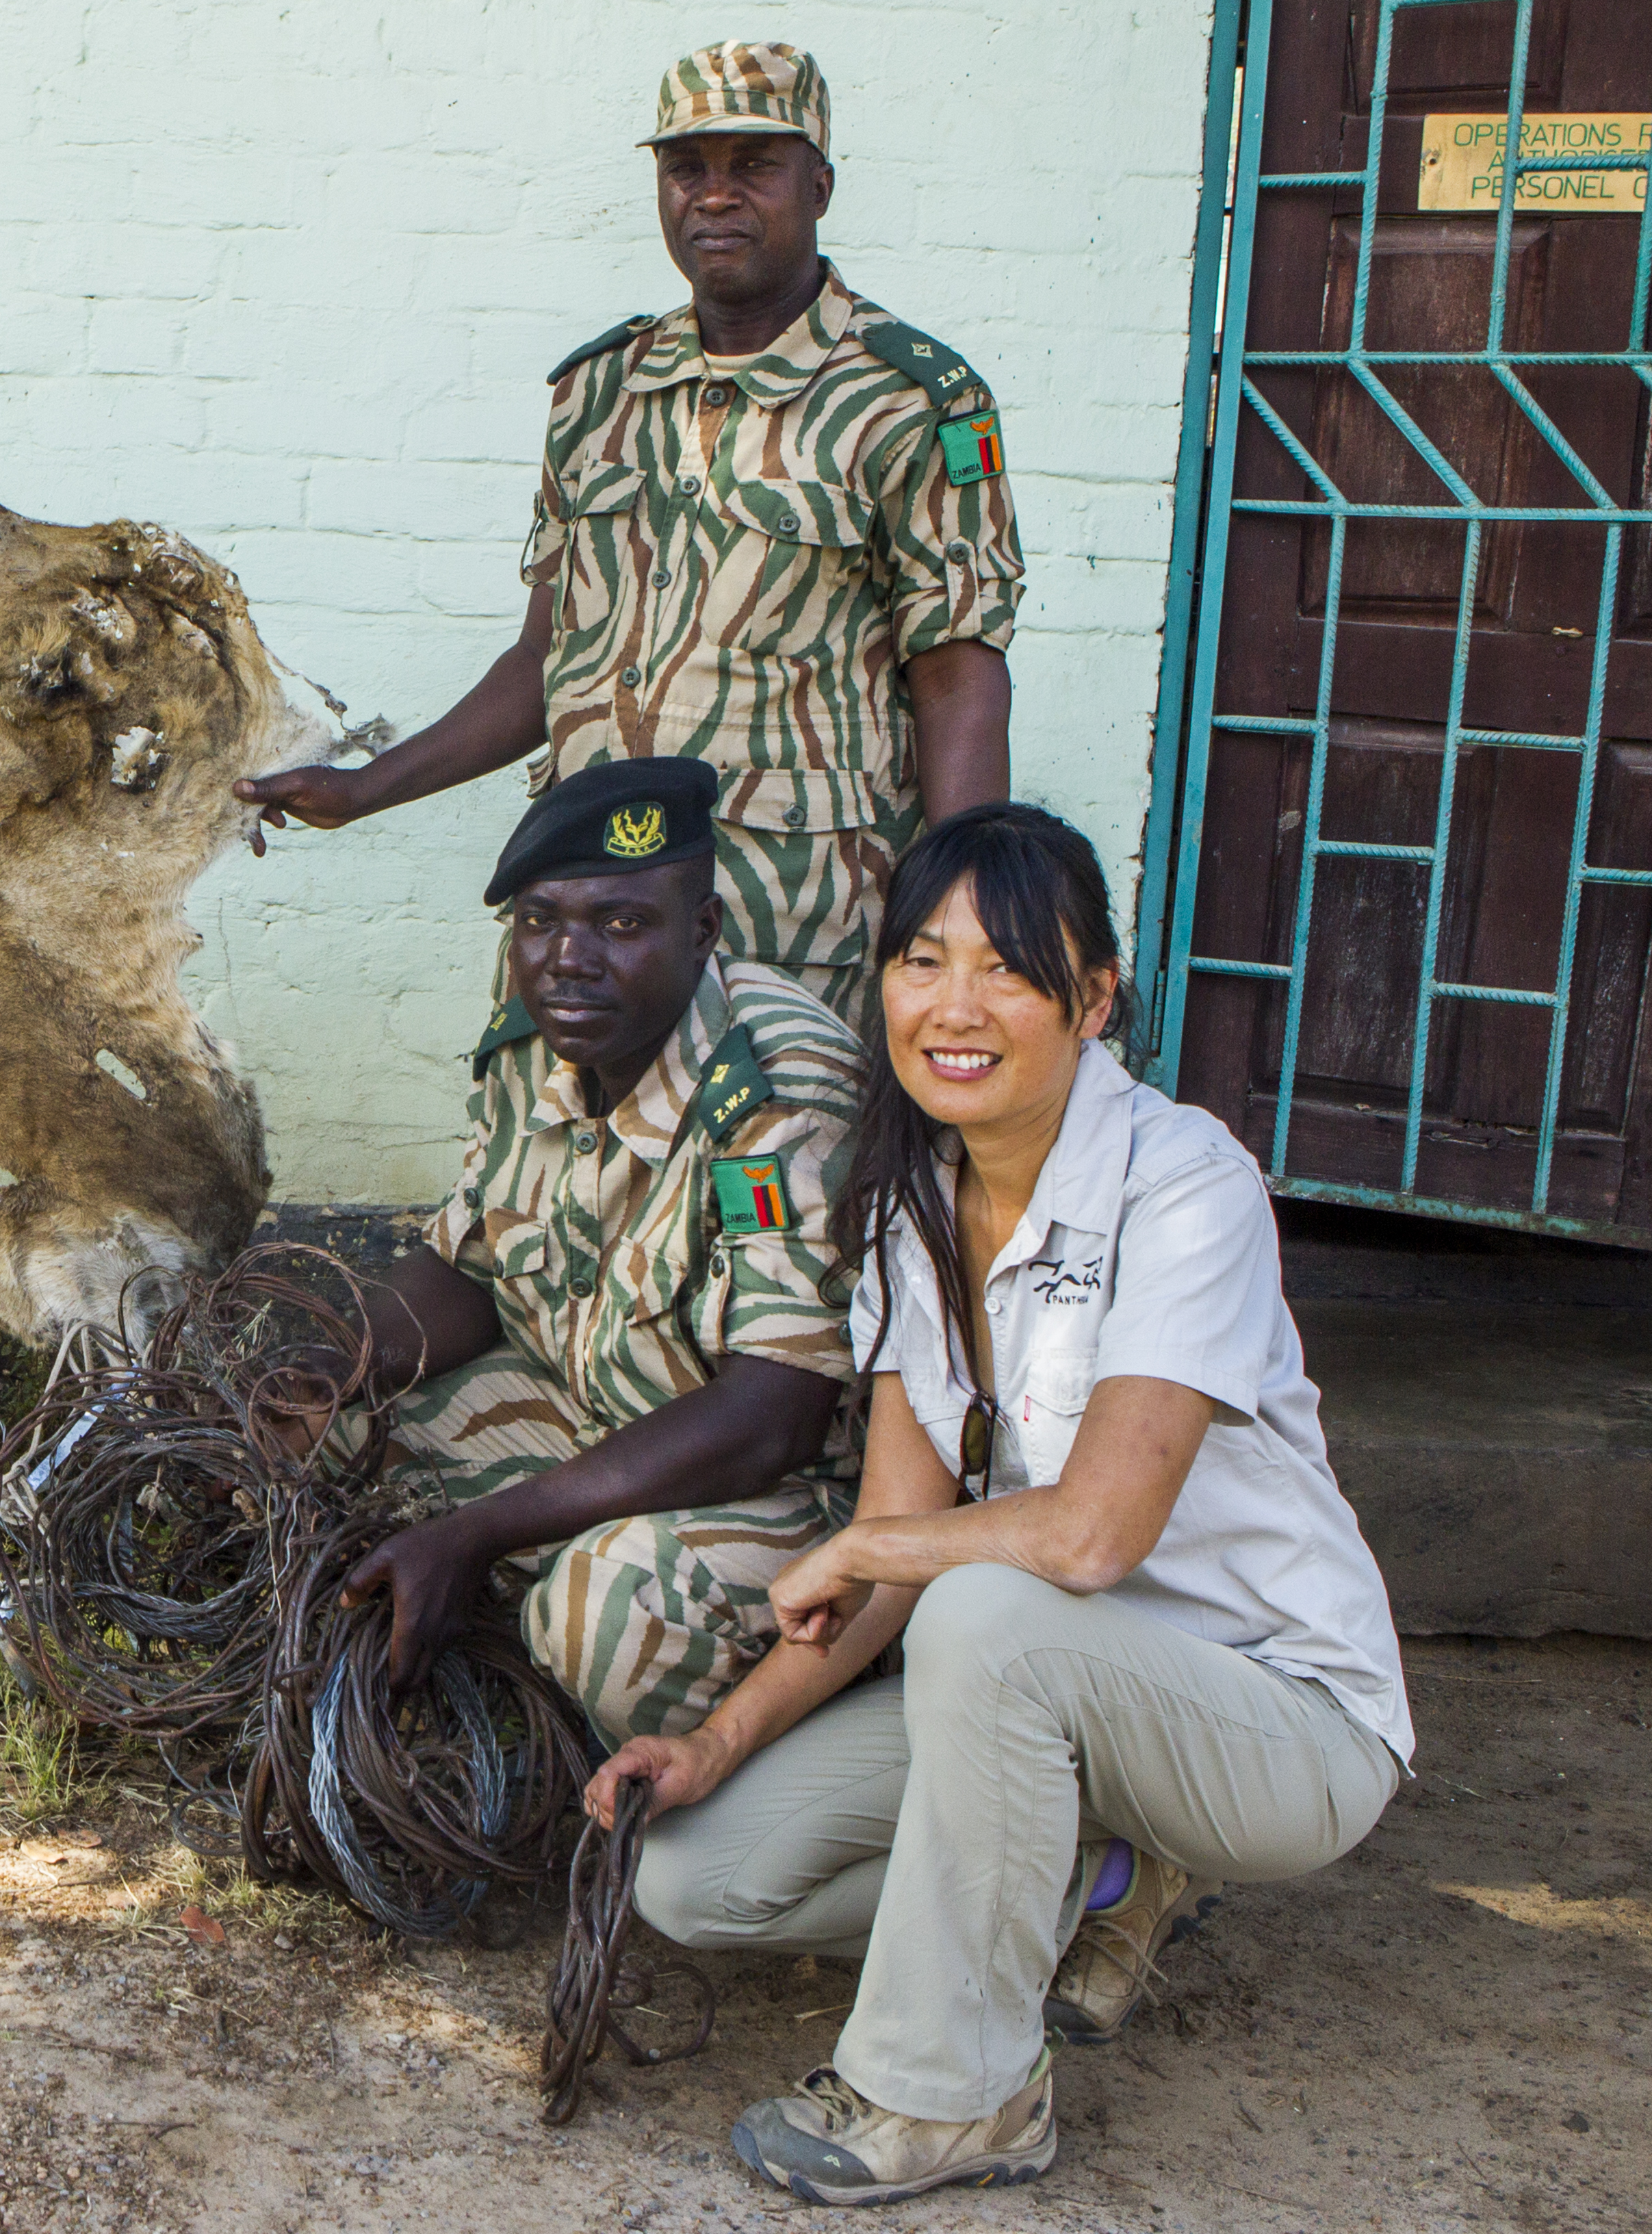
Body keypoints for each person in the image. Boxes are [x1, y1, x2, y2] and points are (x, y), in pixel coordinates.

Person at [582, 804, 1412, 2207]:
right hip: (1057, 1699)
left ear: (1091, 1001)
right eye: (922, 960)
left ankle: (957, 2092)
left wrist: (873, 1542)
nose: (954, 1007)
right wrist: (714, 1741)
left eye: (1009, 970)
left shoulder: (1187, 1183)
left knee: (986, 1606)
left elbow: (1088, 1537)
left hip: (1281, 1729)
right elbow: (890, 1576)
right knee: (700, 1880)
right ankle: (1101, 1871)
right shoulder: (917, 1209)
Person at [236, 40, 1021, 1023]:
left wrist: (967, 916)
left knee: (774, 1172)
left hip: (793, 914)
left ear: (818, 184)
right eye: (687, 168)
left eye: (755, 166)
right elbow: (547, 657)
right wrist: (362, 791)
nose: (716, 195)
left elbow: (956, 673)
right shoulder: (598, 394)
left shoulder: (913, 402)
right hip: (586, 895)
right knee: (555, 1166)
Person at [288, 758, 868, 1745]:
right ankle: (490, 1681)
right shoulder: (538, 1036)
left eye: (623, 923)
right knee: (321, 1440)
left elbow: (773, 1418)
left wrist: (478, 1531)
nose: (570, 957)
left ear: (705, 931)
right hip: (587, 1422)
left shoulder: (772, 1092)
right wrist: (325, 1369)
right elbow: (472, 1269)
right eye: (540, 920)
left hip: (776, 1490)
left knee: (599, 1614)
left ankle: (775, 1733)